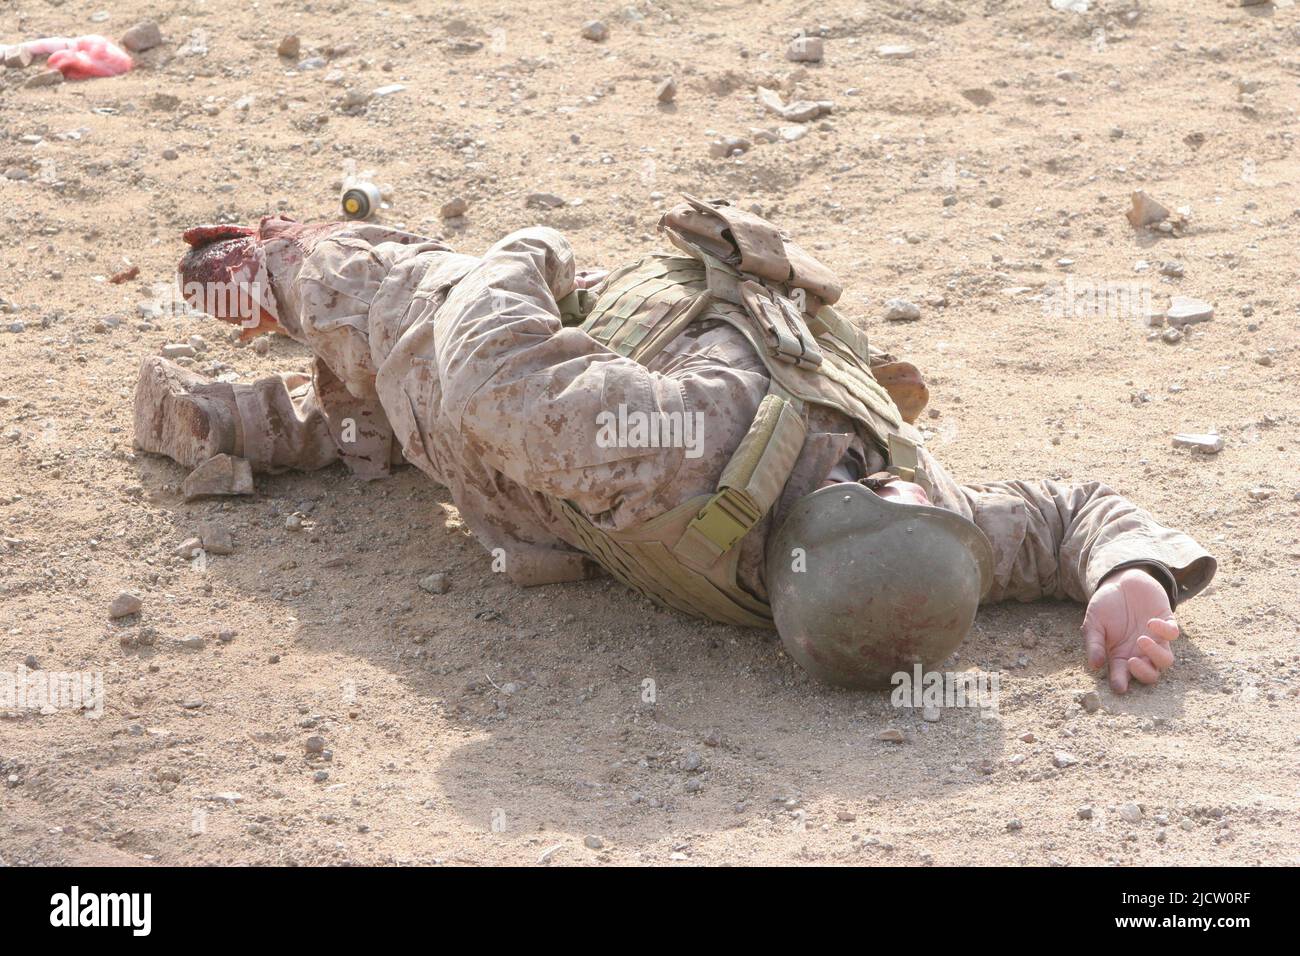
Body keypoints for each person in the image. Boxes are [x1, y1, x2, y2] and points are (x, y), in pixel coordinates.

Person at [135, 199, 1215, 692]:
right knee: (428, 407)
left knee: (400, 299)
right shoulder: (896, 551)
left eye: (896, 486)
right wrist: (1129, 570)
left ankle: (267, 269)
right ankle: (264, 425)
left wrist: (532, 249)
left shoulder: (687, 444)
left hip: (493, 421)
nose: (917, 479)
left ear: (863, 494)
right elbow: (1069, 513)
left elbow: (485, 362)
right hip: (569, 447)